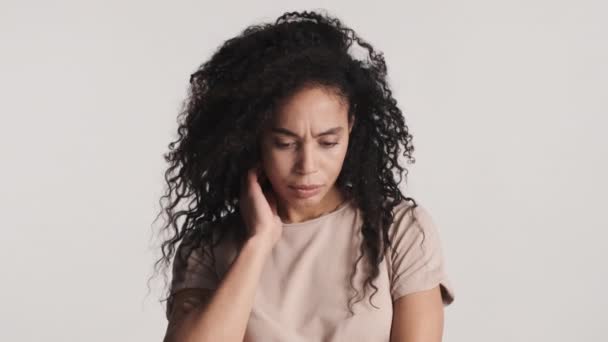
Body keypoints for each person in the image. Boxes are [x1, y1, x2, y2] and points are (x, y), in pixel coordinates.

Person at [154, 9, 455, 342]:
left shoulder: (400, 231)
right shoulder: (209, 248)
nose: (307, 165)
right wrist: (258, 243)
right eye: (284, 143)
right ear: (253, 137)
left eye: (328, 142)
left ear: (351, 128)